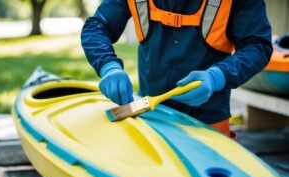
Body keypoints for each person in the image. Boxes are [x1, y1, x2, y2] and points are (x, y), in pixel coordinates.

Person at [81, 0, 272, 138]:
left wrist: (217, 76)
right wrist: (109, 66)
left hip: (208, 126)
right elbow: (97, 26)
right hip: (149, 118)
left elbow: (257, 46)